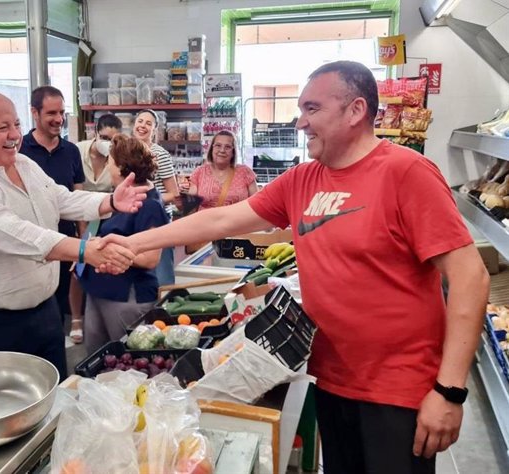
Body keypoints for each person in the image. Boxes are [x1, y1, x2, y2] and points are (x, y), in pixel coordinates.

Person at [100, 61, 490, 473]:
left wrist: (450, 391)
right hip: (332, 379)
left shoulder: (407, 172)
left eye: (312, 109)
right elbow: (218, 220)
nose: (300, 122)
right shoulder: (302, 179)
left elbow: (471, 277)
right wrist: (130, 242)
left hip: (396, 392)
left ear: (356, 110)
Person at [0, 90, 147, 381]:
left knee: (53, 398)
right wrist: (83, 250)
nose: (15, 134)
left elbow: (59, 198)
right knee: (6, 415)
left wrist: (110, 202)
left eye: (16, 124)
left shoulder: (23, 164)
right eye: (3, 128)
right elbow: (11, 231)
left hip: (43, 314)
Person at [79, 134, 168, 353]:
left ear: (120, 167)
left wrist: (106, 250)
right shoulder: (117, 197)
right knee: (97, 358)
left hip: (126, 296)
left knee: (126, 358)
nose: (107, 166)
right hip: (99, 289)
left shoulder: (149, 205)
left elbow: (150, 259)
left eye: (109, 161)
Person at [19, 86, 84, 327]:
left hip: (65, 239)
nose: (59, 119)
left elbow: (77, 197)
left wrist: (83, 240)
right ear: (35, 113)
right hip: (32, 241)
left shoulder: (71, 151)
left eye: (62, 112)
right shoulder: (19, 151)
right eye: (52, 113)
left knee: (62, 300)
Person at [66, 114, 123, 344]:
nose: (108, 143)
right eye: (104, 137)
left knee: (103, 262)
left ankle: (99, 313)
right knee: (78, 265)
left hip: (110, 214)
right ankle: (76, 319)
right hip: (83, 213)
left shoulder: (117, 155)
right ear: (95, 134)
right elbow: (76, 194)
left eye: (113, 139)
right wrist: (82, 236)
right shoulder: (78, 152)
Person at [132, 109, 179, 286]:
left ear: (155, 130)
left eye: (148, 123)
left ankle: (163, 311)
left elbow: (174, 193)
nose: (142, 126)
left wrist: (149, 200)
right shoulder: (126, 152)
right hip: (133, 219)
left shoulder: (160, 155)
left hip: (157, 221)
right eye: (140, 121)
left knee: (162, 275)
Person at [187, 130, 258, 210]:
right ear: (212, 149)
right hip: (207, 222)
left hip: (238, 222)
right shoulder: (200, 172)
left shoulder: (245, 172)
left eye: (227, 147)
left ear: (233, 152)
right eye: (218, 145)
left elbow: (257, 205)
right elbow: (191, 205)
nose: (222, 150)